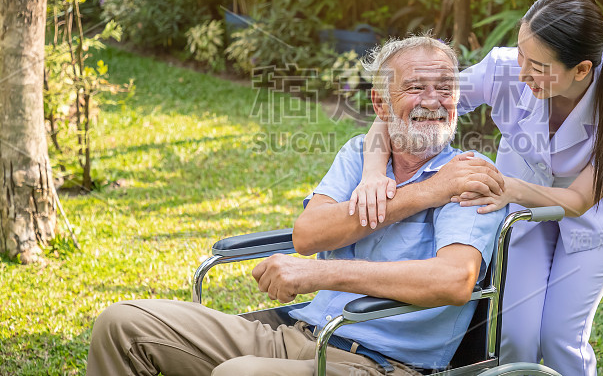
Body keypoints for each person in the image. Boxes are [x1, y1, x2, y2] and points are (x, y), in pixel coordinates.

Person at [86, 35, 508, 376]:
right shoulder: (359, 154)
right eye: (415, 88)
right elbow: (309, 234)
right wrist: (423, 193)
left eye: (445, 89)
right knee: (121, 324)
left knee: (240, 374)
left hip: (379, 362)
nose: (433, 100)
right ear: (381, 105)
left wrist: (320, 272)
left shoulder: (468, 173)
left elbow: (454, 280)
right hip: (301, 331)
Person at [351, 0, 603, 375]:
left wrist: (504, 186)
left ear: (581, 70)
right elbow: (403, 104)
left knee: (561, 337)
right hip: (519, 206)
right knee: (515, 333)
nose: (523, 71)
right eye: (521, 54)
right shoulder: (502, 69)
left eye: (539, 66)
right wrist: (372, 173)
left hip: (591, 215)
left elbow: (579, 199)